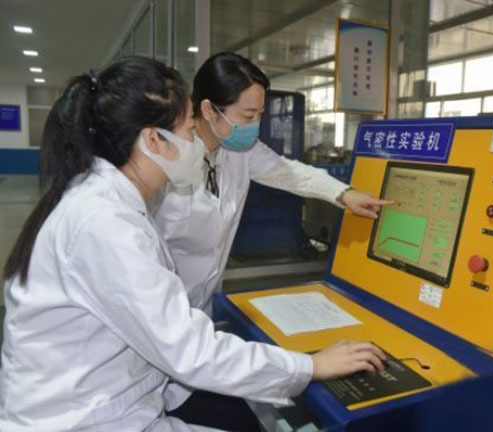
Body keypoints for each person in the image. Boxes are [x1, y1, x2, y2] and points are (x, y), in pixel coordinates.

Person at [0, 56, 386, 432]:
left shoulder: (107, 199)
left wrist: (343, 193)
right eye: (188, 130)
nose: (194, 143)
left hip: (145, 368)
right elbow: (187, 349)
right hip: (95, 408)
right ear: (154, 139)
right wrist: (310, 366)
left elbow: (289, 172)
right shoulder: (104, 223)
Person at [152, 52, 390, 315]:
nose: (255, 125)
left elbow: (289, 173)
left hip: (204, 304)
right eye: (248, 116)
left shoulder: (241, 151)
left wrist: (343, 193)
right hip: (158, 310)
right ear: (209, 110)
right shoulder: (165, 159)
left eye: (260, 114)